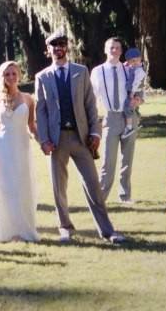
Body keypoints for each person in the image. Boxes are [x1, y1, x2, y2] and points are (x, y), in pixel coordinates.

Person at [35, 31, 126, 244]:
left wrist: (95, 132)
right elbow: (40, 112)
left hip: (81, 138)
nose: (58, 48)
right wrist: (43, 140)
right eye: (53, 45)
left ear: (67, 47)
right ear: (48, 50)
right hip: (56, 141)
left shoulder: (81, 72)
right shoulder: (42, 77)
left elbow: (90, 105)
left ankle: (107, 231)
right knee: (59, 187)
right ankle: (65, 227)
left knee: (93, 185)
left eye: (61, 44)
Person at [0, 61, 39, 242]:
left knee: (21, 187)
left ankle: (23, 230)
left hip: (21, 147)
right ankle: (5, 231)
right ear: (2, 77)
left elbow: (31, 125)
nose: (11, 77)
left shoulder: (28, 99)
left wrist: (42, 140)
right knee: (4, 188)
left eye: (14, 74)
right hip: (2, 147)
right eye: (7, 74)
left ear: (19, 75)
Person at [90, 39, 145, 205]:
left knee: (127, 159)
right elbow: (92, 97)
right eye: (111, 48)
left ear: (121, 51)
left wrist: (138, 101)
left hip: (129, 115)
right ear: (106, 50)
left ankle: (125, 196)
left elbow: (140, 90)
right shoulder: (98, 71)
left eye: (118, 48)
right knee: (108, 161)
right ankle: (100, 198)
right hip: (110, 117)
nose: (114, 50)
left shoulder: (128, 69)